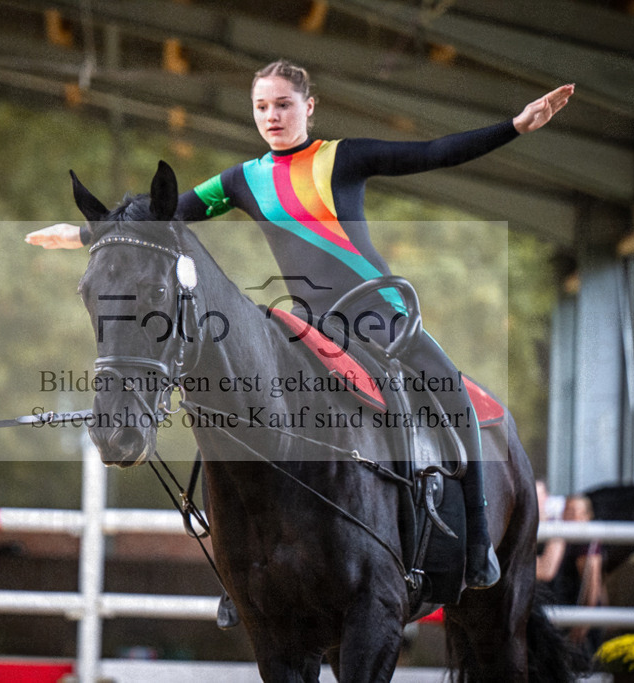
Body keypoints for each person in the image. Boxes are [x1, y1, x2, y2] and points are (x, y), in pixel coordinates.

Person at [28, 60, 572, 592]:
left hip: (378, 315)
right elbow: (162, 215)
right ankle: (242, 570)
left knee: (450, 387)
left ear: (309, 107)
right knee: (232, 399)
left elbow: (431, 152)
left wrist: (514, 126)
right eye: (262, 106)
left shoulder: (342, 158)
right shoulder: (243, 180)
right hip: (310, 325)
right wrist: (83, 235)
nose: (272, 116)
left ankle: (477, 542)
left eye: (283, 105)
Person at [552, 494, 605, 657]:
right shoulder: (564, 541)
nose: (571, 516)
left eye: (576, 512)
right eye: (567, 511)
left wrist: (581, 627)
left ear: (587, 516)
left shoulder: (585, 544)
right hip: (569, 612)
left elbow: (592, 589)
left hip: (581, 621)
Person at [535, 479, 566, 587]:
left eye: (537, 495)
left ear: (546, 497)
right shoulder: (518, 525)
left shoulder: (556, 526)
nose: (533, 499)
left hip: (550, 592)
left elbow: (545, 571)